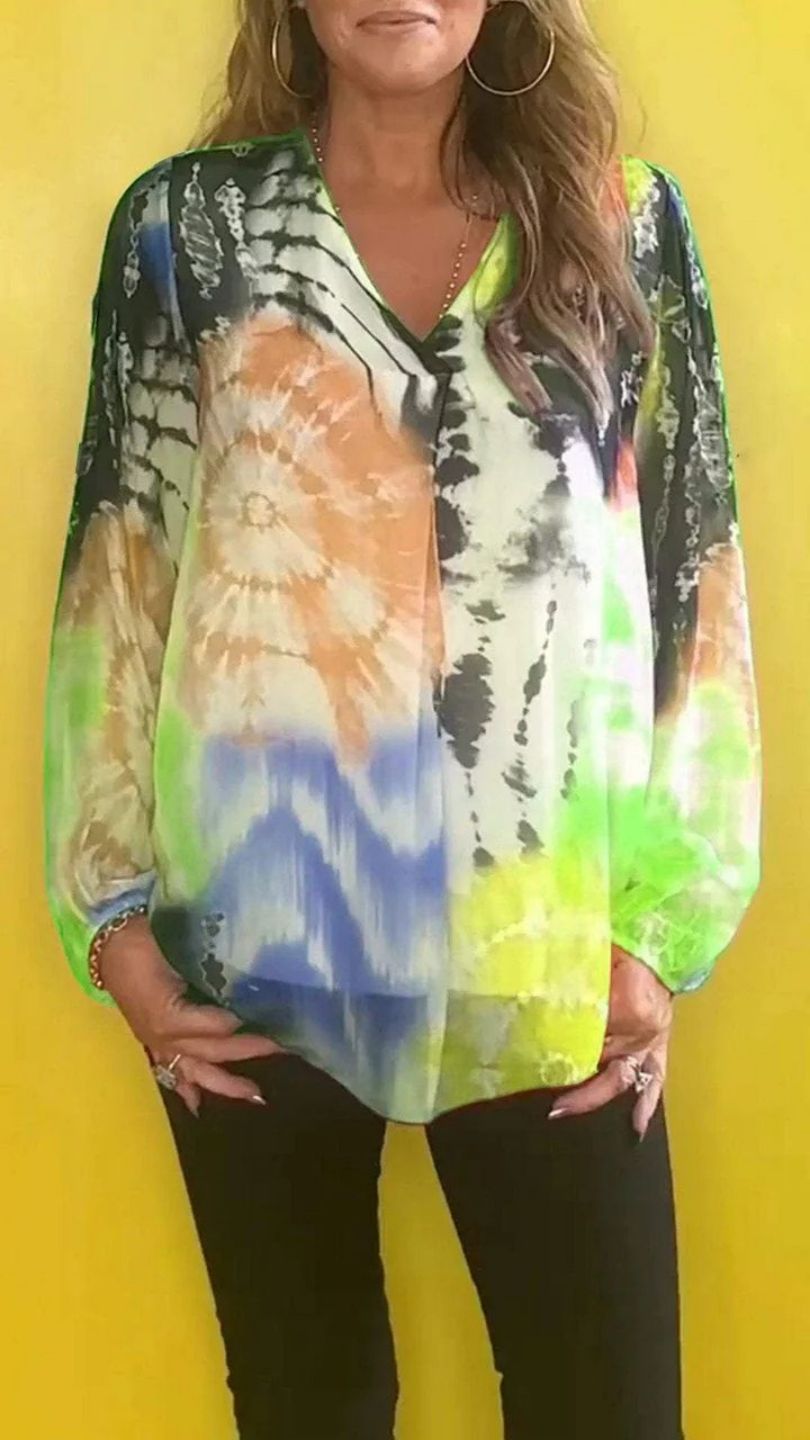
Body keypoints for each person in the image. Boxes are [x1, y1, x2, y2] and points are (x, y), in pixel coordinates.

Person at [42, 1, 761, 1436]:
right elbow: (118, 577)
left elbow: (699, 583)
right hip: (251, 958)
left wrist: (660, 936)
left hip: (546, 958)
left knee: (608, 1409)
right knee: (308, 1406)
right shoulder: (189, 234)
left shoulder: (618, 227)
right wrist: (114, 926)